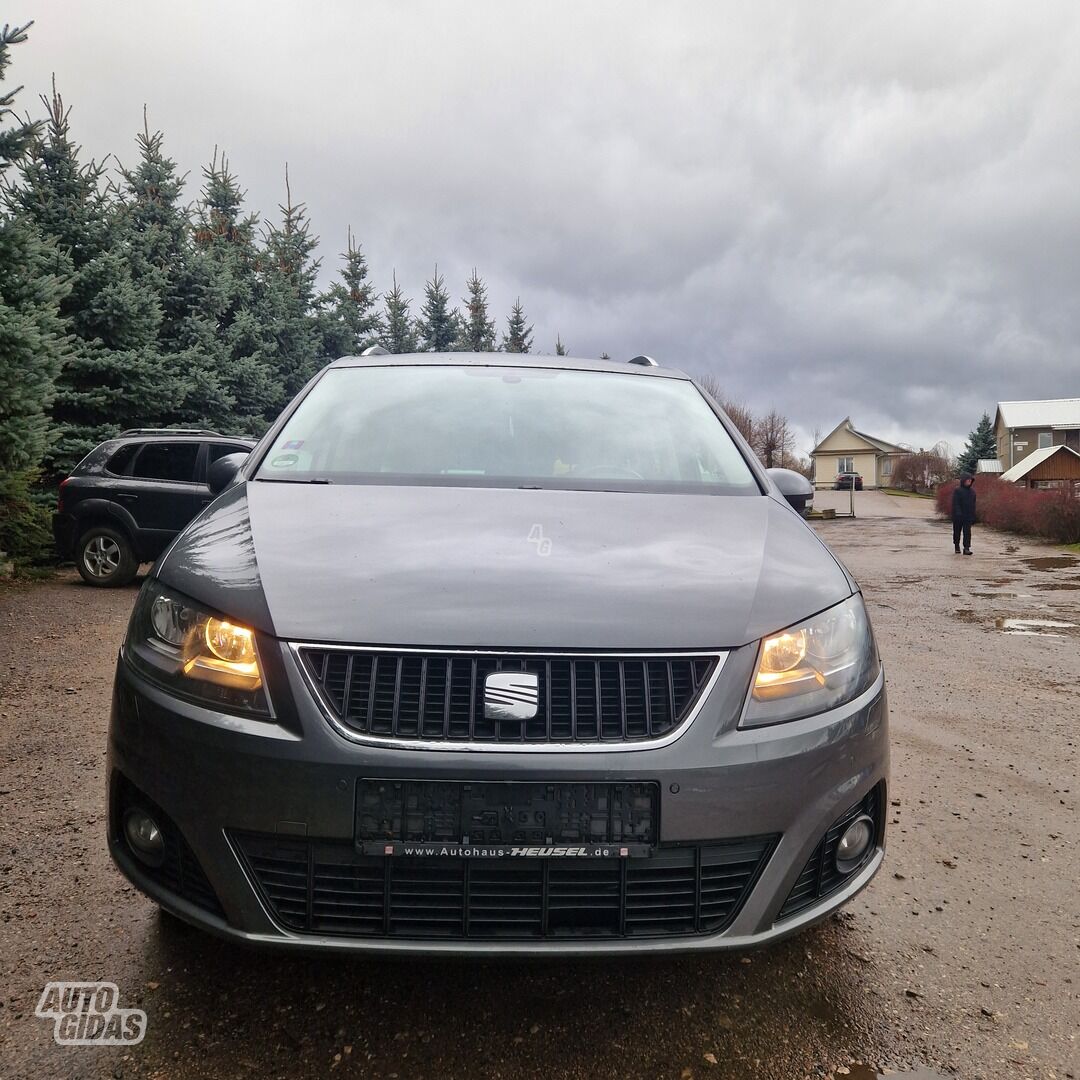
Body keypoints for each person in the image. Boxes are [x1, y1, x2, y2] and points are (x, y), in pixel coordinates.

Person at [951, 474, 976, 555]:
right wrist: (958, 513)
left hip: (968, 516)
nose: (969, 482)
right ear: (964, 481)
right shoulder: (958, 490)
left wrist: (973, 516)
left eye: (970, 480)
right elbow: (956, 503)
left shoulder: (972, 492)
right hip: (958, 516)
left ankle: (966, 548)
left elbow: (973, 504)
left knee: (967, 533)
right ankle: (957, 546)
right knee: (957, 531)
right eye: (968, 480)